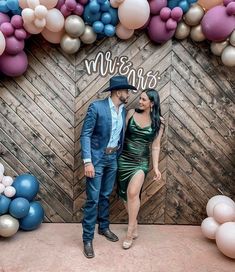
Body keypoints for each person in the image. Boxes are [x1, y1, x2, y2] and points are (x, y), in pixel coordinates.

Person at [80, 75, 137, 258]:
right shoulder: (97, 107)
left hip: (113, 159)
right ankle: (87, 239)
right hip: (96, 159)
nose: (128, 94)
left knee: (105, 196)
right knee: (93, 199)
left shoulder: (122, 110)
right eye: (126, 91)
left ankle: (103, 228)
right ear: (118, 91)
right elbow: (86, 134)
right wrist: (87, 161)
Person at [117, 88, 165, 249]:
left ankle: (130, 232)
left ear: (152, 103)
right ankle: (135, 223)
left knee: (132, 193)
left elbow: (156, 146)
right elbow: (119, 134)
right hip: (124, 159)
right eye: (140, 98)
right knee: (125, 194)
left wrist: (156, 168)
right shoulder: (130, 113)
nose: (140, 101)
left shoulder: (160, 122)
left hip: (140, 162)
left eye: (144, 99)